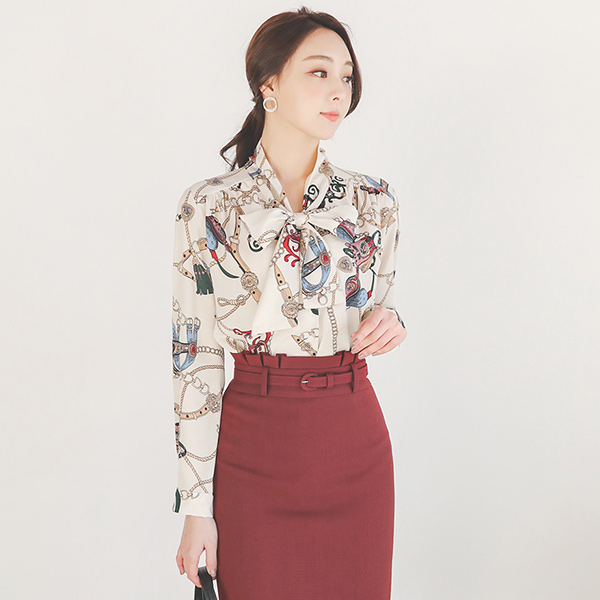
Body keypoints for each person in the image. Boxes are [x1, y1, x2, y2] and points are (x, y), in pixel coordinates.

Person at [172, 7, 407, 600]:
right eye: (319, 72)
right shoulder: (209, 205)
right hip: (255, 449)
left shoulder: (374, 201)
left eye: (347, 76)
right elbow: (194, 357)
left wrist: (393, 319)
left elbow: (376, 308)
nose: (338, 91)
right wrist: (197, 506)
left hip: (354, 445)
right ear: (268, 83)